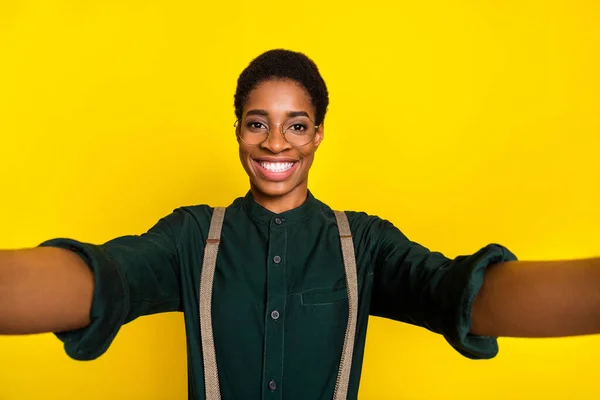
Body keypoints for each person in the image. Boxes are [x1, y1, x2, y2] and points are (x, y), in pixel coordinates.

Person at [0, 49, 598, 400]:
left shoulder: (362, 244)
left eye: (297, 123)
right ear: (237, 131)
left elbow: (465, 295)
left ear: (317, 135)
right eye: (257, 123)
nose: (276, 141)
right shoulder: (191, 238)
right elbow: (103, 279)